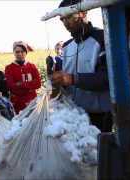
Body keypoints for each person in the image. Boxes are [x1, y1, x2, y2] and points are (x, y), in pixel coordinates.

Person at [51, 0, 112, 132]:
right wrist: (55, 80)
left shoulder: (103, 38)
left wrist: (73, 79)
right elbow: (62, 79)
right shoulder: (66, 47)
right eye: (61, 20)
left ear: (84, 12)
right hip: (72, 116)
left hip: (99, 117)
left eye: (68, 16)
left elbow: (107, 78)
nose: (65, 23)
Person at [5, 41, 41, 114]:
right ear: (14, 52)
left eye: (22, 51)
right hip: (17, 104)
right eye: (17, 52)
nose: (20, 54)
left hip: (32, 101)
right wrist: (30, 87)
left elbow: (38, 84)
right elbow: (10, 86)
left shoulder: (32, 67)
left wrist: (21, 84)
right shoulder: (9, 68)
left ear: (26, 52)